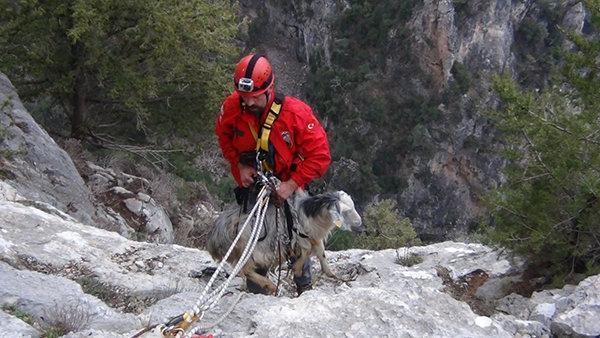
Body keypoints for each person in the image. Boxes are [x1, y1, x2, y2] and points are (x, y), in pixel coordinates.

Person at [214, 53, 331, 295]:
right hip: (255, 188)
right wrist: (239, 165)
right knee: (256, 239)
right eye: (243, 97)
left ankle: (304, 288)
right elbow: (224, 137)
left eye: (254, 98)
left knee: (297, 236)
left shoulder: (295, 114)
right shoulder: (232, 107)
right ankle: (258, 291)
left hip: (288, 183)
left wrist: (292, 184)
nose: (247, 103)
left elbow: (320, 155)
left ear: (269, 89)